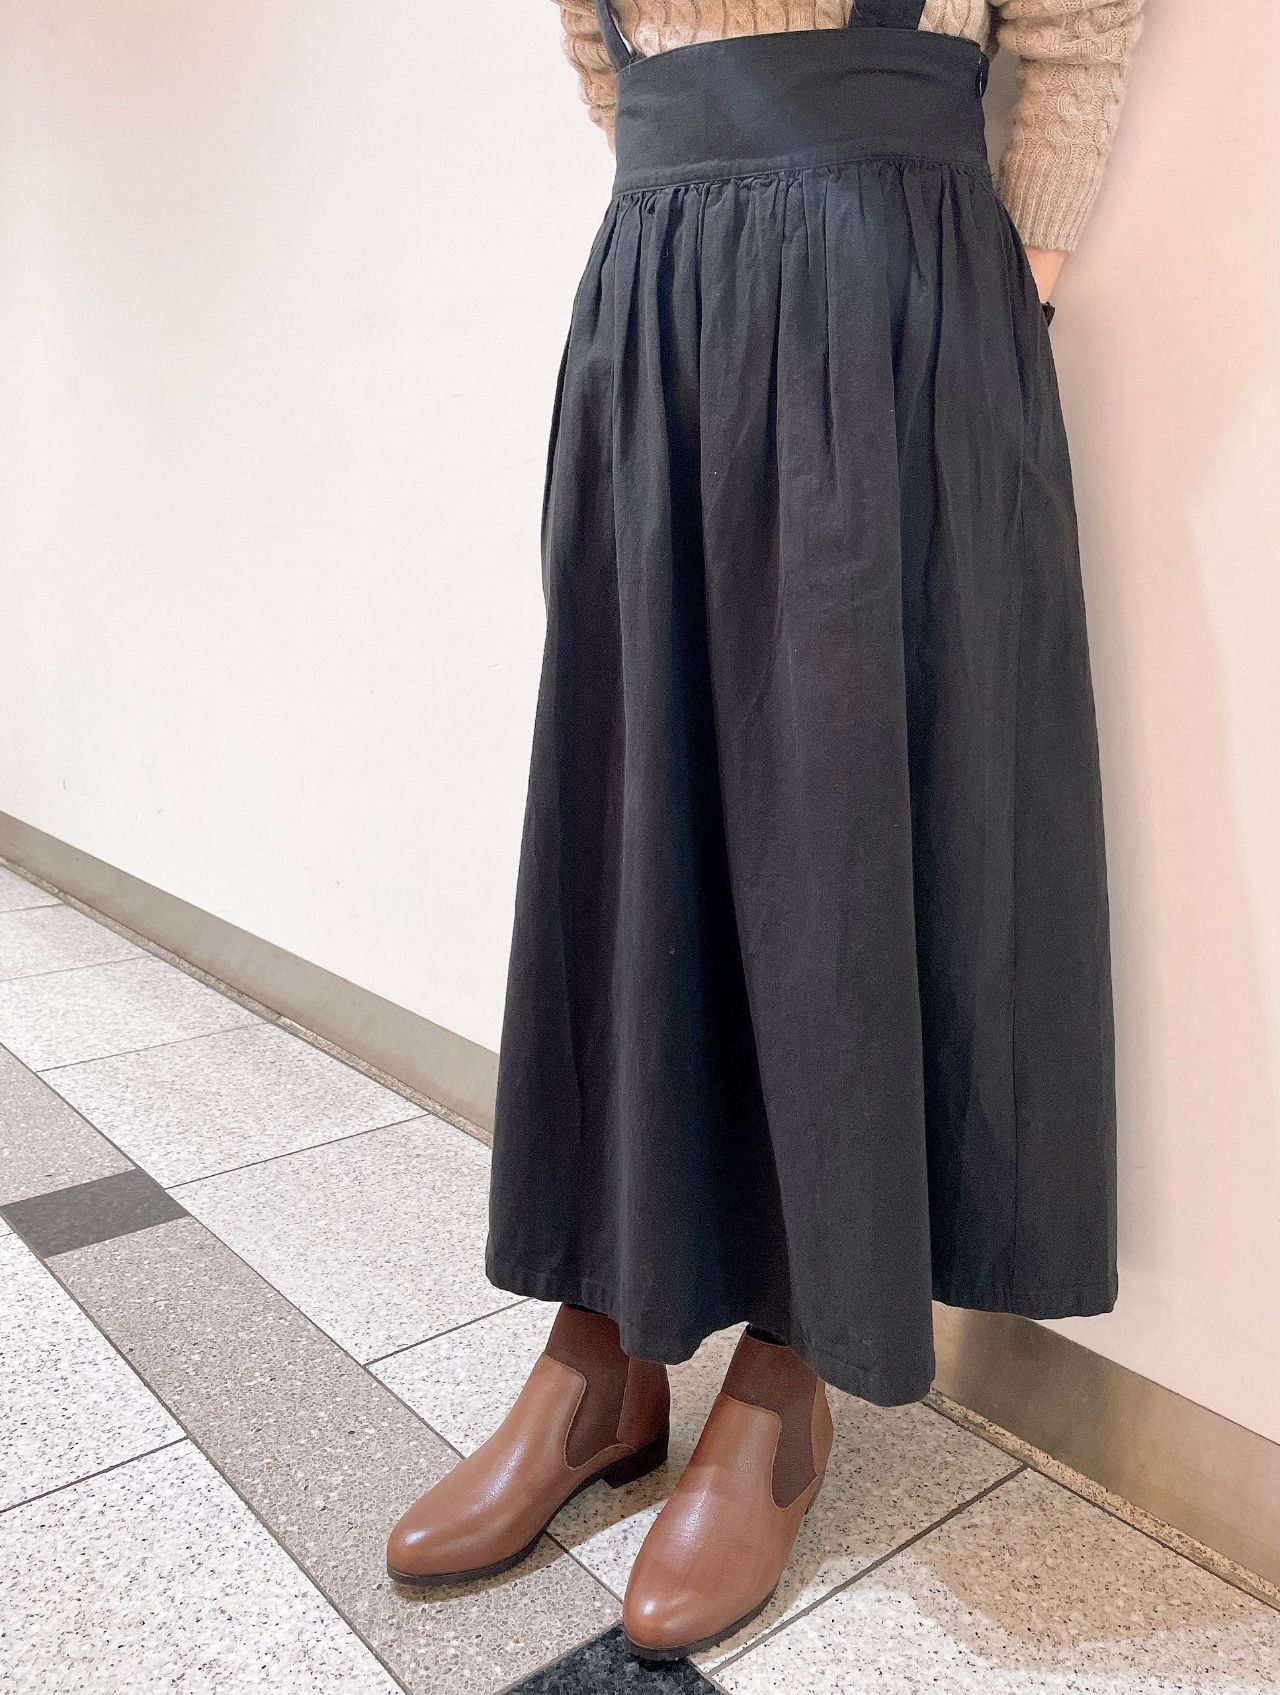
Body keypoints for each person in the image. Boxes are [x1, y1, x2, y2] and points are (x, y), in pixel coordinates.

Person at [388, 0, 1143, 1661]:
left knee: (842, 831)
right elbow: (595, 42)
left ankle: (793, 1365)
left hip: (891, 291)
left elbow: (1083, 19)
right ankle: (603, 1347)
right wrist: (699, 167)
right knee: (625, 817)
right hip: (654, 288)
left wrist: (1011, 270)